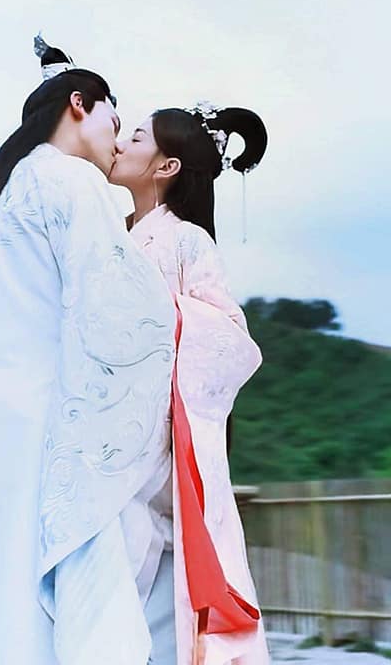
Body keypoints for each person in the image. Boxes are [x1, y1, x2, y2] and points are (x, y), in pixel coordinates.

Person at [0, 39, 177, 665]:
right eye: (115, 119)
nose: (118, 139)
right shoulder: (67, 178)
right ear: (79, 104)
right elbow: (123, 313)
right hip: (39, 429)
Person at [109, 101, 270, 665]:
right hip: (106, 430)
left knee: (143, 582)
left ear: (166, 166)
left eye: (135, 137)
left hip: (154, 443)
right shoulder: (113, 233)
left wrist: (158, 312)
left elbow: (231, 338)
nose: (120, 143)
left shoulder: (186, 241)